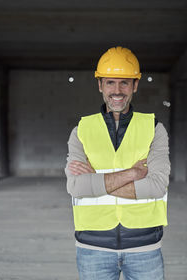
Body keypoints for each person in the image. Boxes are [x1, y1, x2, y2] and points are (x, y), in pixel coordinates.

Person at [65, 46, 170, 280]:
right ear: (100, 85)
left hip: (145, 247)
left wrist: (97, 179)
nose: (117, 91)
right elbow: (77, 187)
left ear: (135, 85)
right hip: (93, 247)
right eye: (110, 82)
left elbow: (156, 186)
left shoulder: (153, 129)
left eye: (125, 83)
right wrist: (132, 174)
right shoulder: (81, 130)